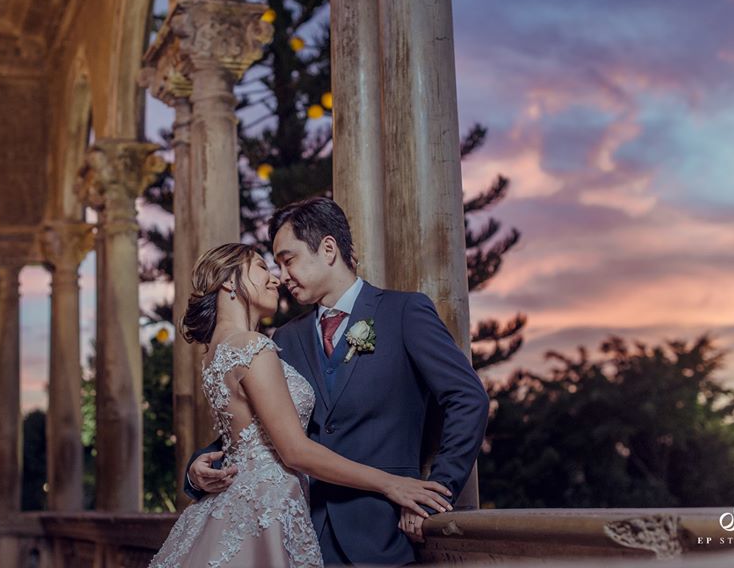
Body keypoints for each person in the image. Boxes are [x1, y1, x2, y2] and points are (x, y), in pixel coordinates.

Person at [184, 197, 490, 565]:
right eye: (275, 264)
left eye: (288, 259)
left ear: (328, 249)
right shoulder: (283, 338)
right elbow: (256, 431)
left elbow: (468, 399)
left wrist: (436, 493)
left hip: (385, 533)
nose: (280, 276)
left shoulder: (403, 312)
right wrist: (197, 469)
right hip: (299, 537)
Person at [147, 243, 454, 568]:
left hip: (239, 506)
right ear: (228, 281)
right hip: (271, 508)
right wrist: (393, 483)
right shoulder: (252, 346)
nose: (275, 279)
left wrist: (197, 474)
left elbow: (246, 435)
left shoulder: (213, 355)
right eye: (262, 267)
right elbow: (293, 450)